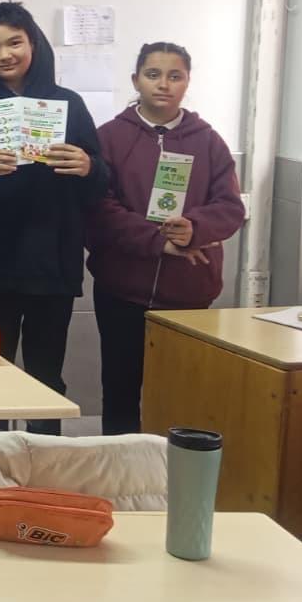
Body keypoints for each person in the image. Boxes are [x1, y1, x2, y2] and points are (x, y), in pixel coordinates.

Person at [0, 1, 109, 433]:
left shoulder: (69, 104)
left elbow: (100, 184)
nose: (5, 54)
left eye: (14, 43)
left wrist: (88, 166)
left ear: (33, 43)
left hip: (53, 263)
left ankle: (45, 456)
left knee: (46, 373)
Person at [86, 43, 244, 435]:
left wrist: (194, 228)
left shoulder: (209, 141)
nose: (164, 84)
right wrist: (157, 241)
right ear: (135, 80)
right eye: (153, 74)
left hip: (189, 294)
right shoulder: (109, 138)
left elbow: (230, 207)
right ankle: (121, 465)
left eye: (175, 76)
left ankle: (174, 469)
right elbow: (99, 210)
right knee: (120, 389)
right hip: (122, 290)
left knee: (182, 393)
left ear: (187, 82)